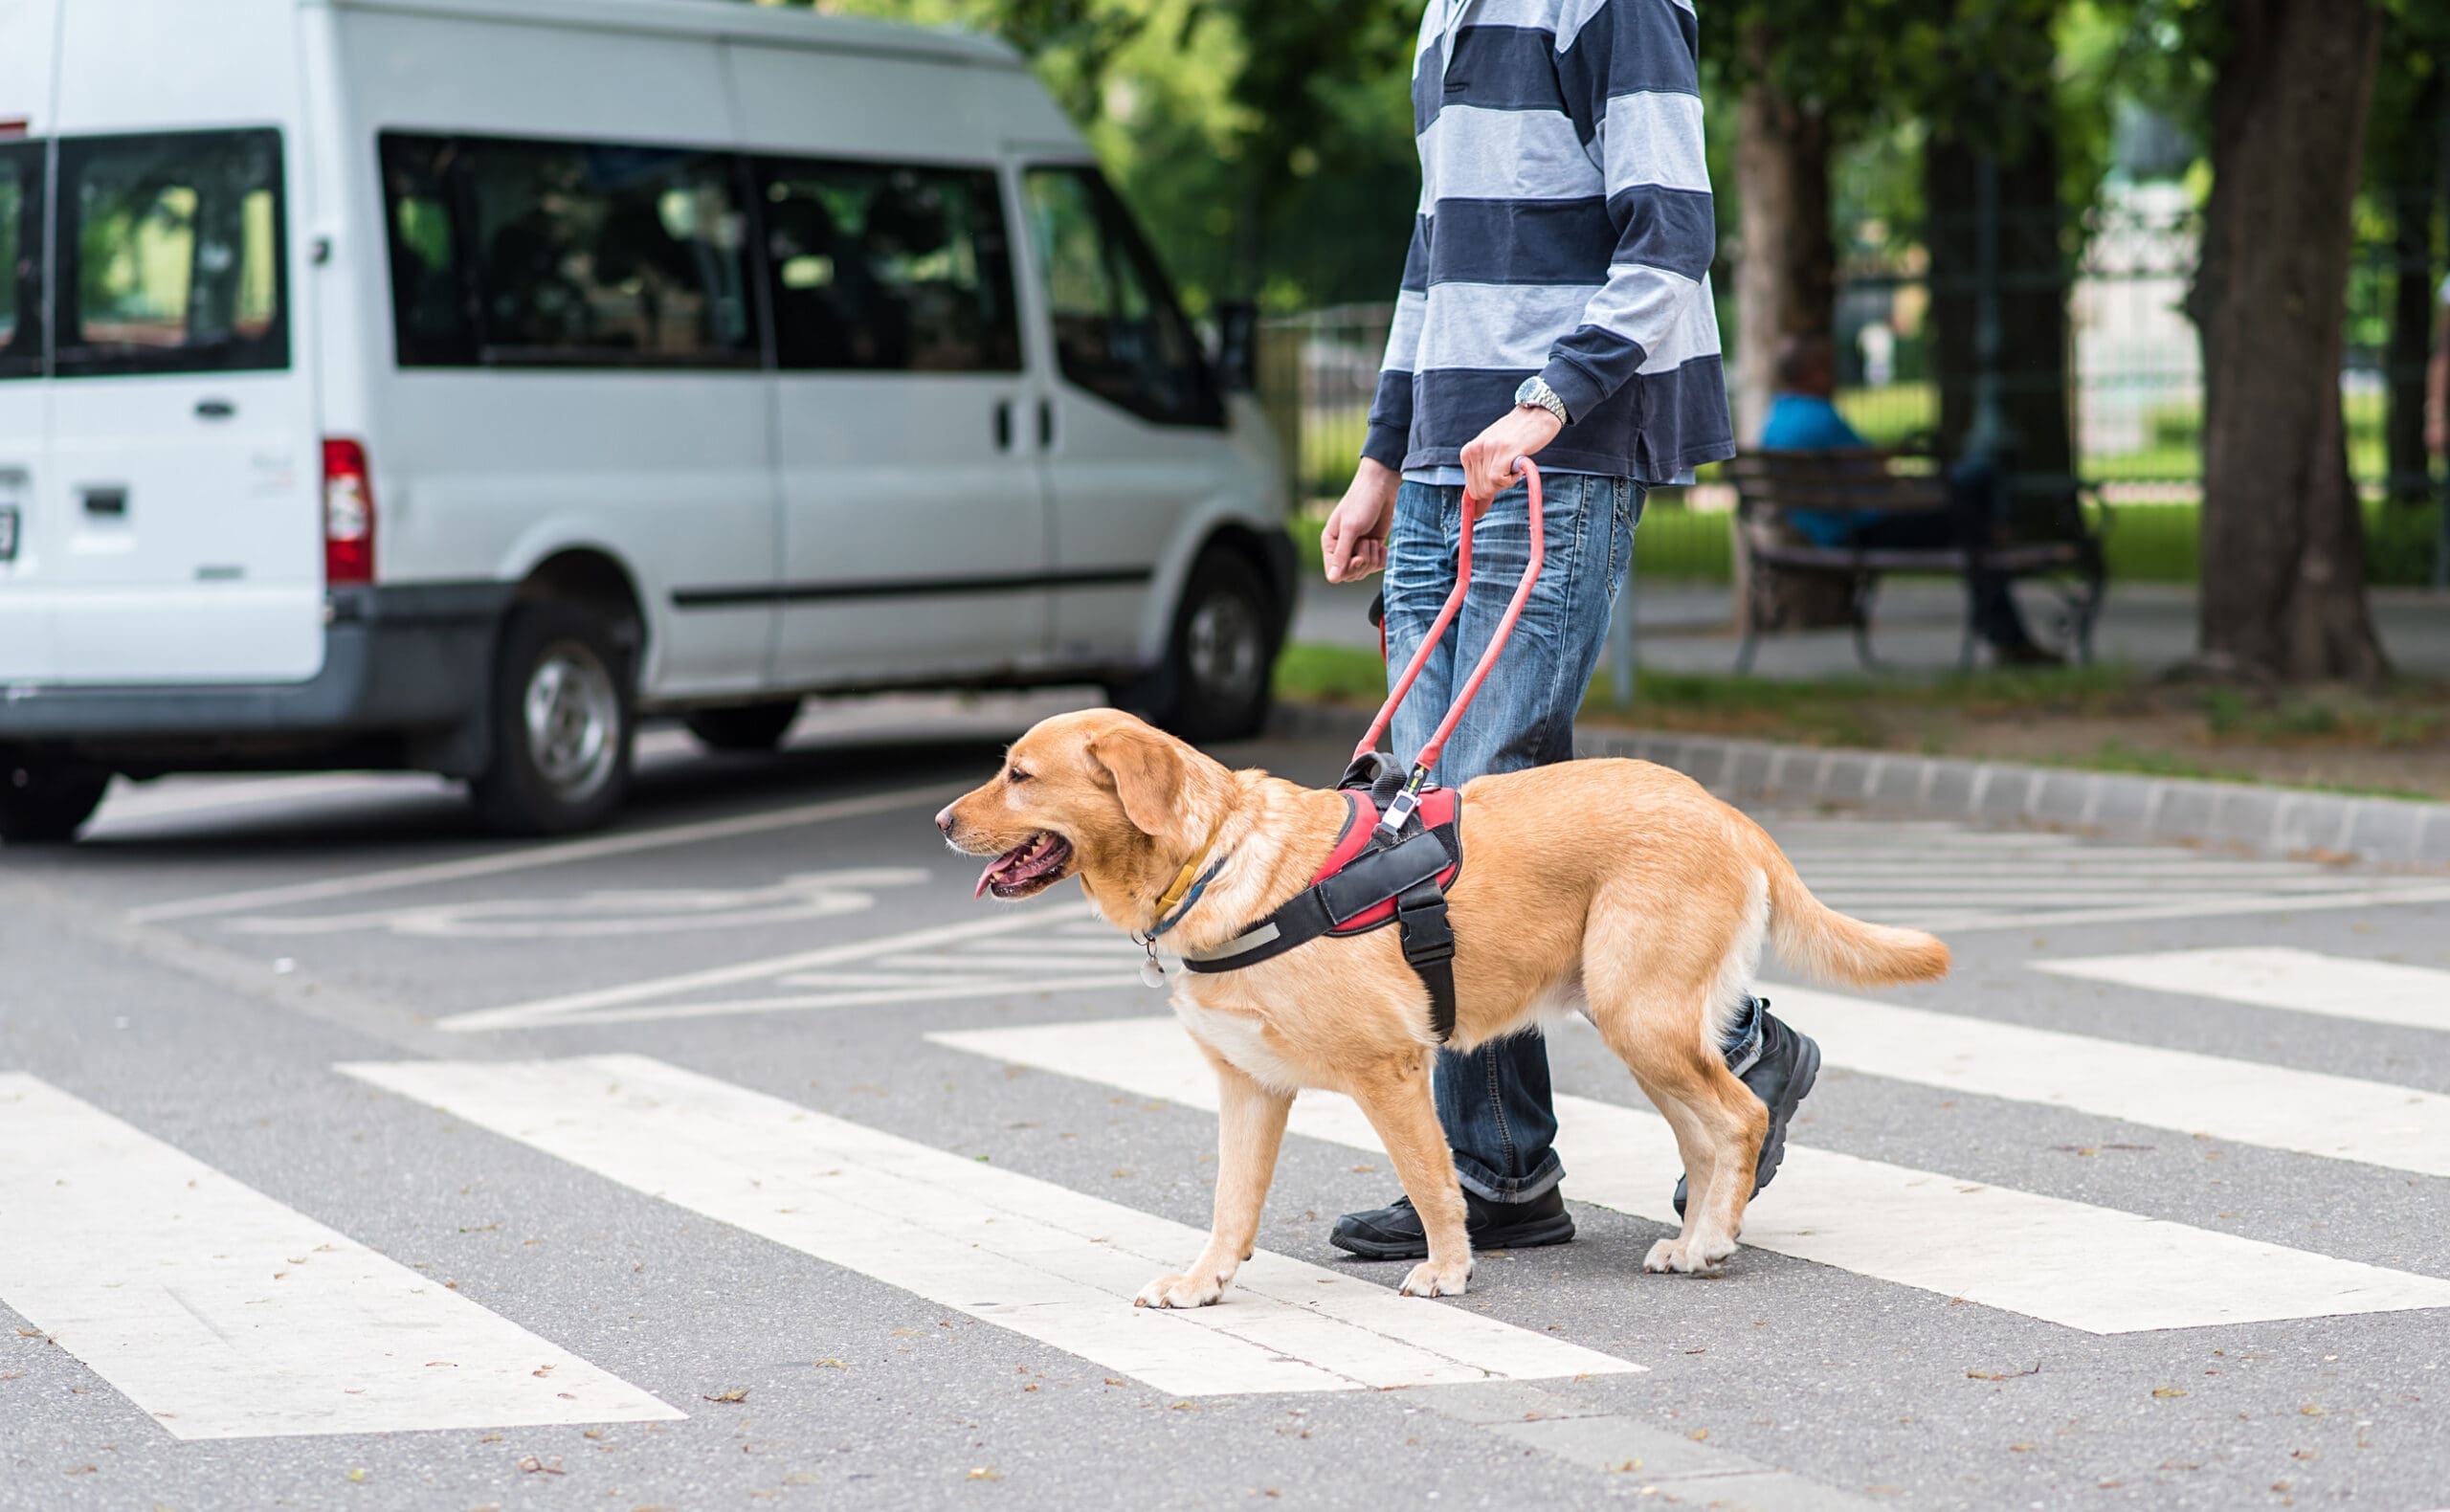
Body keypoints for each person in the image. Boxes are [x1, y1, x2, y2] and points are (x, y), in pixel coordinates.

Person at [1316, 0, 1821, 1258]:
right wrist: (1384, 457)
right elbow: (1430, 257)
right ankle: (1498, 1177)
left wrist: (1548, 402)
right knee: (1422, 827)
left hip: (1555, 460)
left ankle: (1746, 1045)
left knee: (1481, 818)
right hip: (1442, 466)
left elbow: (1672, 238)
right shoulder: (1442, 15)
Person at [1764, 334, 2059, 664]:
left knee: (1970, 512)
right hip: (1863, 531)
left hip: (1832, 531)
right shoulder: (1819, 417)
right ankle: (2007, 632)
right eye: (1825, 369)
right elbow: (1876, 472)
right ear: (1813, 374)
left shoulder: (1775, 420)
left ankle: (2003, 615)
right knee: (1975, 497)